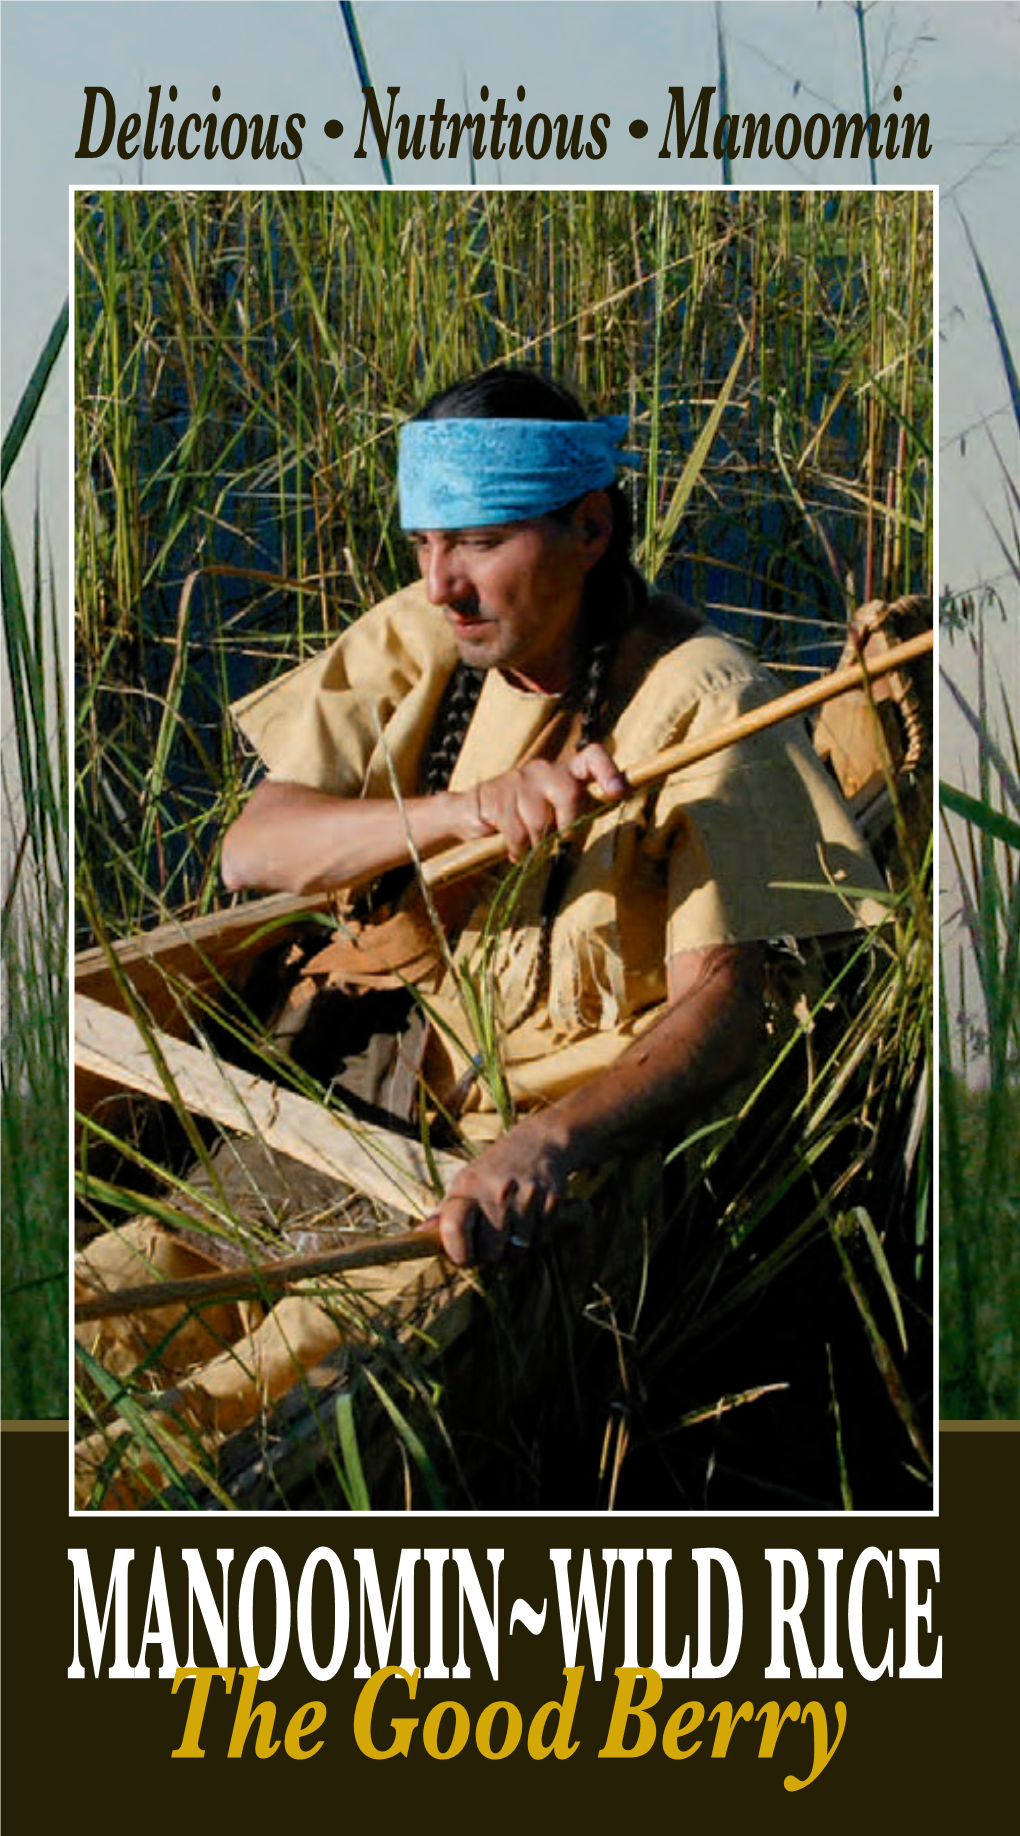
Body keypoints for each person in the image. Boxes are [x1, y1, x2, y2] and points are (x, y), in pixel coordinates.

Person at [75, 365, 886, 1506]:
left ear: (590, 527)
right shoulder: (431, 635)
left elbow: (727, 1005)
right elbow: (254, 850)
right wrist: (466, 811)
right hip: (370, 1085)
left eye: (483, 541)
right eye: (423, 543)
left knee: (233, 1404)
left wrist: (548, 1145)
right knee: (104, 1300)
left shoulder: (708, 701)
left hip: (496, 1160)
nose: (442, 583)